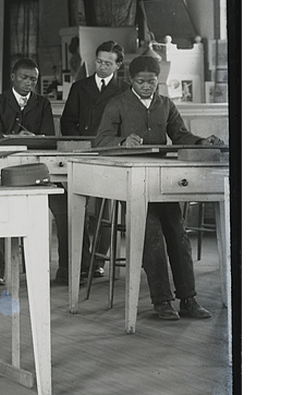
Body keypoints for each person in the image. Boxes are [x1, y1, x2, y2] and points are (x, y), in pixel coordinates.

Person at [93, 55, 223, 321]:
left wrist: (201, 142)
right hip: (133, 181)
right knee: (151, 236)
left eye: (152, 82)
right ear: (131, 80)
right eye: (141, 82)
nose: (146, 87)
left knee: (178, 235)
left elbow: (180, 135)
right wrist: (122, 142)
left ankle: (188, 299)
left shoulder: (166, 104)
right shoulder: (117, 104)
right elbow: (100, 140)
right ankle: (162, 301)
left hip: (162, 179)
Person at [0, 58, 67, 285]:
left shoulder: (42, 103)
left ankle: (66, 267)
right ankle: (1, 266)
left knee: (63, 206)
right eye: (24, 77)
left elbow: (49, 139)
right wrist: (21, 139)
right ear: (12, 77)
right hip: (3, 168)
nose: (29, 83)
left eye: (33, 79)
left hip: (35, 170)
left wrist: (36, 139)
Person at [58, 40, 129, 283]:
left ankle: (98, 261)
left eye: (108, 63)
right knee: (77, 206)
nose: (101, 67)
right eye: (99, 61)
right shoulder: (80, 87)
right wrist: (80, 145)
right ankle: (82, 261)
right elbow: (67, 121)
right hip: (81, 151)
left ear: (118, 65)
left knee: (104, 210)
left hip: (109, 153)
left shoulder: (125, 89)